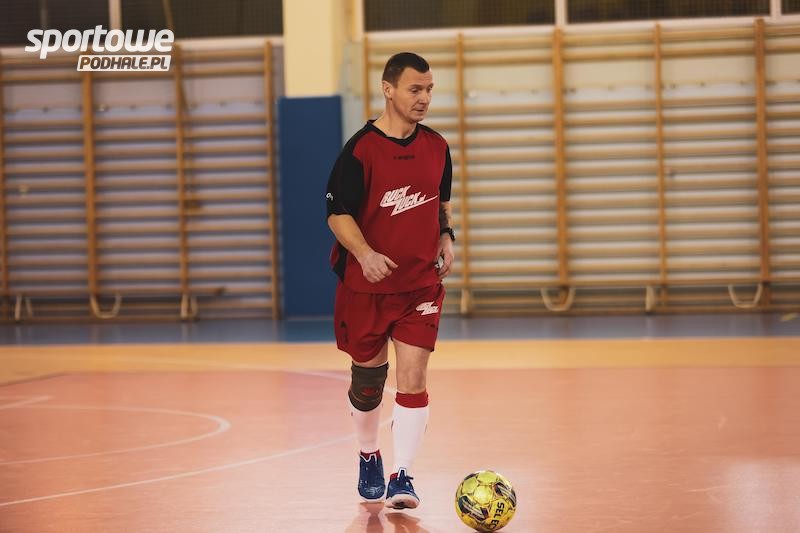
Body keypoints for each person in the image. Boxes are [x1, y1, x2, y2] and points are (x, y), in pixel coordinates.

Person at [325, 52, 455, 510]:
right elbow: (337, 214)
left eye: (429, 89)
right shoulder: (360, 150)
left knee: (413, 377)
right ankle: (369, 455)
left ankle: (403, 475)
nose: (424, 98)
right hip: (366, 288)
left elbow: (441, 201)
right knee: (368, 383)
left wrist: (447, 236)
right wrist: (364, 254)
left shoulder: (437, 147)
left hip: (420, 285)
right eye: (415, 89)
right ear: (388, 89)